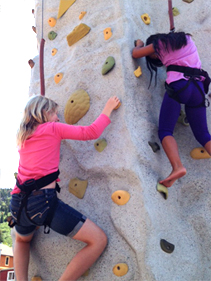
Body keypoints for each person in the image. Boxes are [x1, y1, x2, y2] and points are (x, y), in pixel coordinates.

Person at [10, 95, 120, 281]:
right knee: (98, 240)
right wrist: (108, 109)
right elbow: (91, 132)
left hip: (18, 204)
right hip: (42, 203)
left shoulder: (23, 136)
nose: (58, 118)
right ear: (44, 112)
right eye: (55, 113)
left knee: (21, 240)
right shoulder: (52, 128)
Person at [132, 32, 211, 187]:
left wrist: (140, 44)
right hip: (199, 89)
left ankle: (177, 167)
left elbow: (135, 54)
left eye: (155, 57)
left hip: (180, 87)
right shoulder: (187, 39)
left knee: (165, 131)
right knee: (203, 134)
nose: (159, 59)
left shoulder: (160, 44)